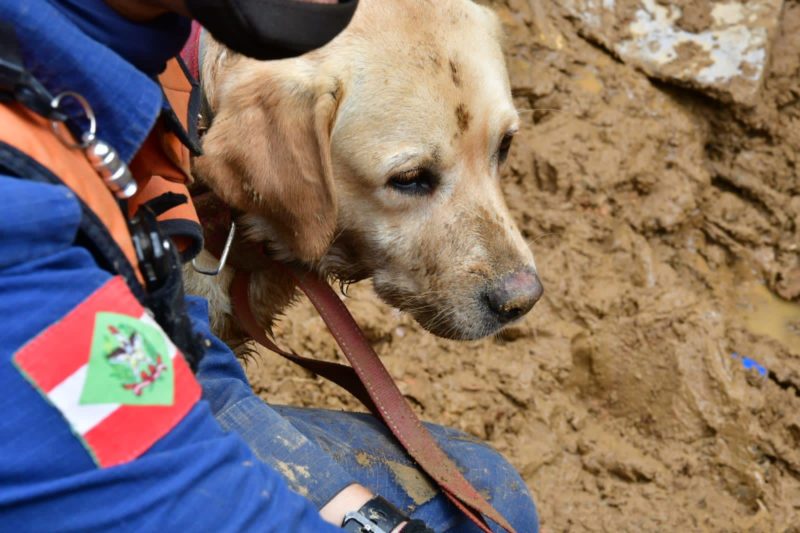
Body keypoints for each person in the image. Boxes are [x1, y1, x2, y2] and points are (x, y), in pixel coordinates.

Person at [0, 0, 540, 531]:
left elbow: (164, 342)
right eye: (411, 177)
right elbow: (152, 462)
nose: (517, 281)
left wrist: (356, 510)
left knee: (488, 488)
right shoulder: (26, 233)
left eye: (503, 147)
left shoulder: (107, 42)